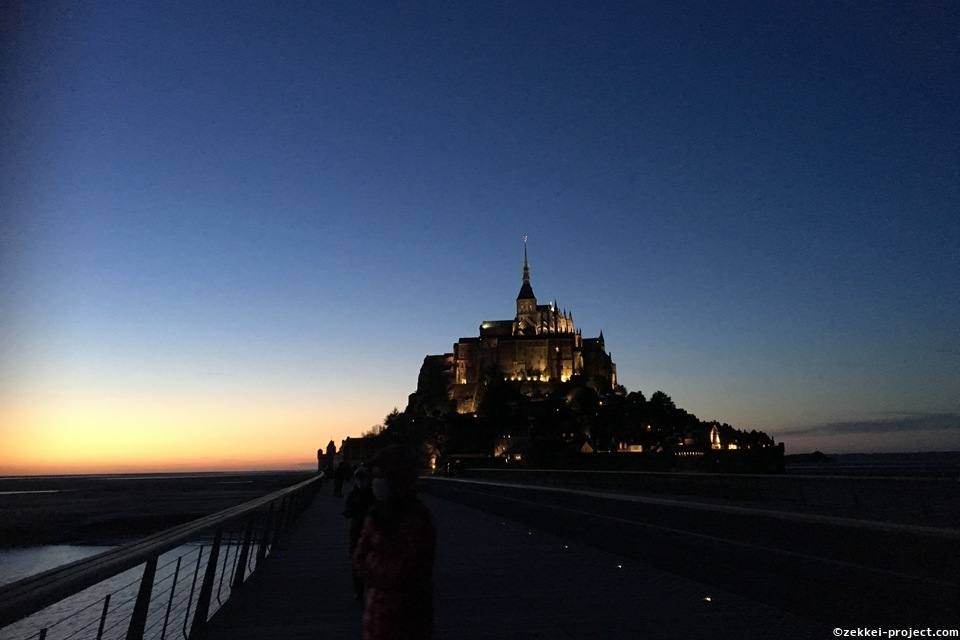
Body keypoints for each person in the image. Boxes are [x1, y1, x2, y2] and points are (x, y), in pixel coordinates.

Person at [353, 446, 435, 640]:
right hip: (377, 616)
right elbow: (358, 558)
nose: (375, 482)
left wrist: (371, 561)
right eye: (374, 476)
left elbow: (400, 571)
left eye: (380, 476)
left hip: (407, 618)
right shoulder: (376, 514)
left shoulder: (415, 519)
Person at [343, 464, 375, 600]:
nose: (361, 481)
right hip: (360, 530)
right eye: (359, 478)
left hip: (368, 530)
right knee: (359, 559)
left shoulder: (365, 494)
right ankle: (361, 590)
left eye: (363, 478)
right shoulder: (369, 493)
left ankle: (363, 589)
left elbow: (347, 511)